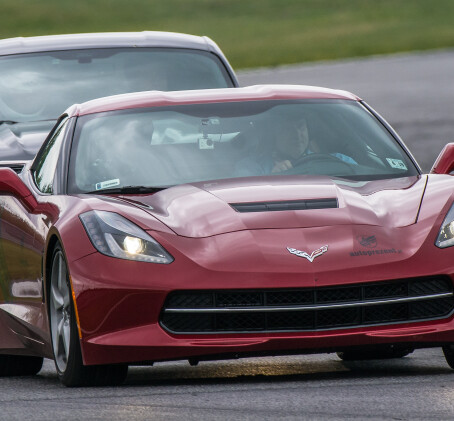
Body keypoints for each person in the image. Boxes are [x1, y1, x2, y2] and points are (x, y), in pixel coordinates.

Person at [235, 116, 356, 176]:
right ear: (272, 136)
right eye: (288, 129)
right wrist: (273, 179)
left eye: (300, 126)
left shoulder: (339, 161)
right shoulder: (251, 168)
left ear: (310, 131)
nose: (297, 134)